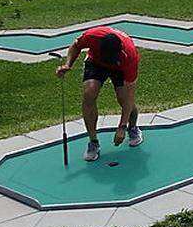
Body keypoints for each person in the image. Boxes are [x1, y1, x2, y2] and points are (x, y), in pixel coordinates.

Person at [56, 27, 143, 162]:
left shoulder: (130, 56)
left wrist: (122, 126)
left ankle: (132, 128)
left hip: (120, 68)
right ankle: (93, 142)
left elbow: (129, 97)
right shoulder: (93, 36)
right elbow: (76, 45)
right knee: (89, 93)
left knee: (123, 98)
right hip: (96, 62)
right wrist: (68, 64)